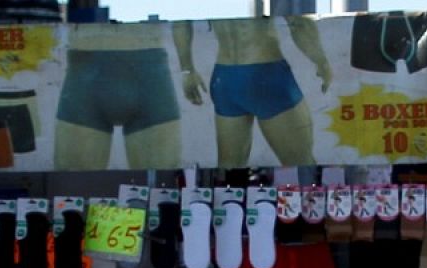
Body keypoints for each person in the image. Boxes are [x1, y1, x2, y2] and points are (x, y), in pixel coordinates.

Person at [177, 17, 333, 168]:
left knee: (230, 168)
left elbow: (181, 21)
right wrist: (322, 62)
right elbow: (299, 22)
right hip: (266, 76)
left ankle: (229, 195)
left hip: (224, 79)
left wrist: (187, 70)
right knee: (301, 164)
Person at [55, 22, 191, 170]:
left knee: (161, 185)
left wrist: (188, 70)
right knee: (71, 186)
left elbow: (181, 21)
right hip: (89, 70)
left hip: (147, 73)